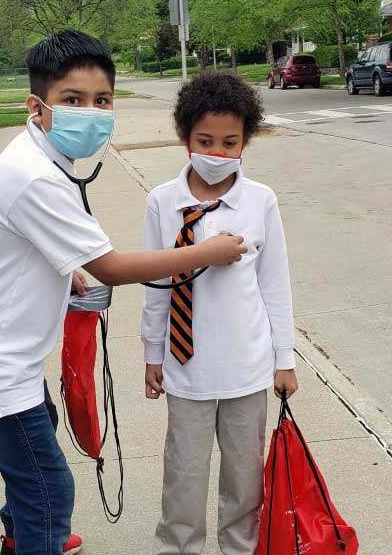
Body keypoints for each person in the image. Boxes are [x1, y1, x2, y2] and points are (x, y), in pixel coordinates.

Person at [0, 30, 248, 555]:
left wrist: (67, 270)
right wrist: (205, 252)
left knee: (34, 451)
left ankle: (21, 536)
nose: (91, 111)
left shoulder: (39, 156)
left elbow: (45, 246)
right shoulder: (36, 177)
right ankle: (35, 538)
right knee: (49, 488)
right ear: (38, 107)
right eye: (72, 100)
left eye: (101, 100)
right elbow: (114, 267)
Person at [141, 72, 299, 555]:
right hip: (186, 370)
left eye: (230, 142)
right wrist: (153, 351)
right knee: (183, 479)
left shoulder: (260, 201)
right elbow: (155, 284)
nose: (217, 152)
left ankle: (241, 549)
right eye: (204, 140)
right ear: (184, 139)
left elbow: (275, 284)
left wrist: (284, 358)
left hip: (247, 369)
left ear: (246, 141)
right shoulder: (163, 202)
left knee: (245, 482)